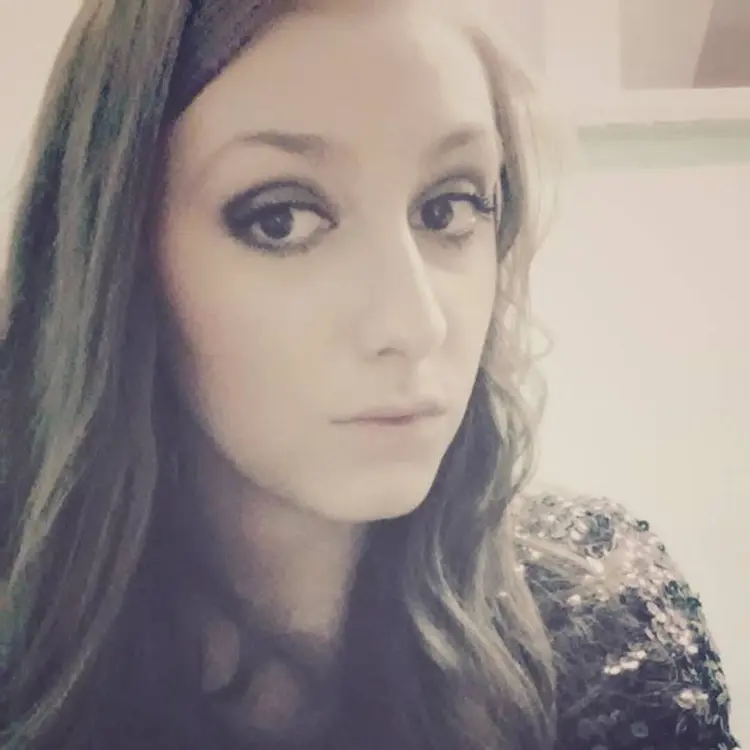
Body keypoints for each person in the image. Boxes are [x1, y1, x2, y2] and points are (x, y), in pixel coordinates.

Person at [0, 1, 739, 749]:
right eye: (282, 219)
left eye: (448, 208)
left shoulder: (600, 625)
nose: (414, 323)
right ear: (117, 260)